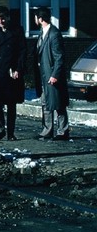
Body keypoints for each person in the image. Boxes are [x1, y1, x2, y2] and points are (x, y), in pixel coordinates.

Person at [0, 6, 26, 140]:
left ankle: (11, 132)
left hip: (11, 72)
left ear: (8, 17)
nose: (1, 21)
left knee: (11, 103)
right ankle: (0, 129)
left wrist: (18, 69)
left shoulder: (17, 31)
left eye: (3, 18)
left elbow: (22, 52)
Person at [34, 7, 70, 140]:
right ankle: (47, 130)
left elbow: (59, 56)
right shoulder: (42, 32)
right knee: (46, 103)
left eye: (36, 17)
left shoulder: (54, 34)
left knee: (58, 103)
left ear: (40, 18)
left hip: (51, 75)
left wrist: (55, 74)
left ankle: (63, 130)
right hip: (44, 75)